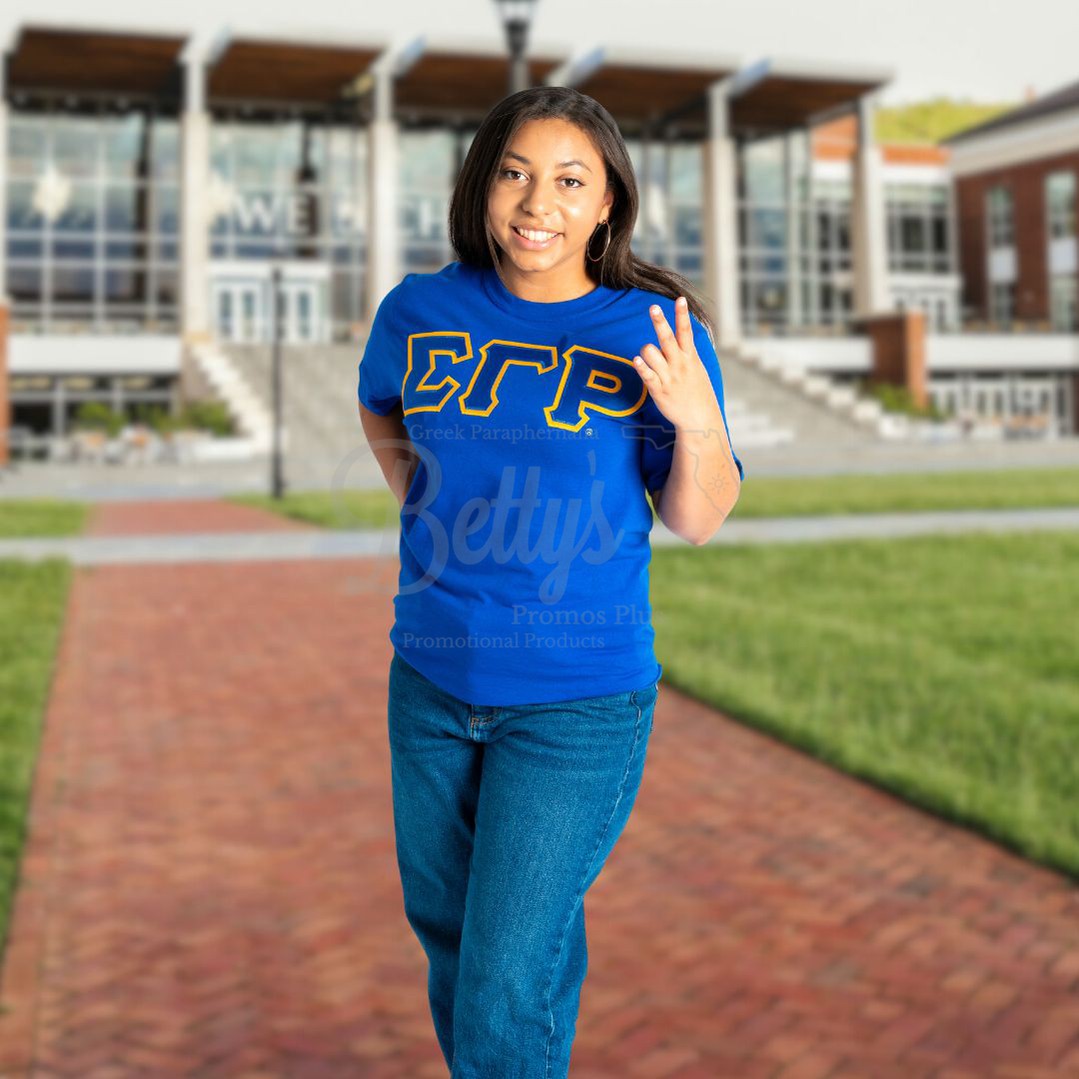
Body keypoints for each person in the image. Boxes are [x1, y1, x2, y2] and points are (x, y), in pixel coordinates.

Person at [357, 85, 744, 1079]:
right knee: (460, 937)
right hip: (430, 682)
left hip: (574, 700)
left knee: (498, 976)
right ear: (482, 186)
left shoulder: (651, 329)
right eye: (515, 173)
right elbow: (379, 406)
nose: (538, 202)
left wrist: (694, 417)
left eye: (570, 180)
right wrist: (418, 489)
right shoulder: (418, 311)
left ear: (607, 202)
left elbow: (697, 518)